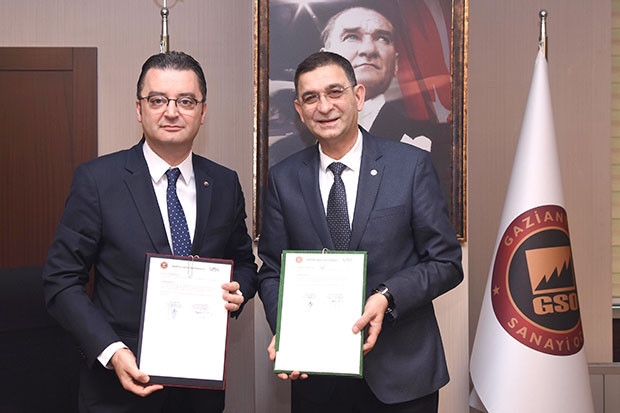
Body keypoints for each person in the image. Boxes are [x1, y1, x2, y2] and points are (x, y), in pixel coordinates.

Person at [42, 51, 257, 412]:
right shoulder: (98, 180)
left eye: (185, 101)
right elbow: (61, 280)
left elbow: (244, 264)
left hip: (200, 391)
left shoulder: (224, 182)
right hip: (119, 388)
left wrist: (240, 291)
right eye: (158, 100)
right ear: (139, 109)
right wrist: (111, 351)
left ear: (203, 112)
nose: (171, 112)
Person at [257, 51, 463, 413]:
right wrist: (288, 328)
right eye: (311, 97)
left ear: (359, 96)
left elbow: (446, 262)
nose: (324, 106)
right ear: (300, 110)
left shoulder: (409, 166)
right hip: (318, 377)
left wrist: (387, 295)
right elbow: (272, 271)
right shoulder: (284, 178)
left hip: (403, 376)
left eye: (335, 92)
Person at [269, 6, 452, 201]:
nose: (369, 50)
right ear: (325, 57)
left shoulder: (437, 143)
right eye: (351, 37)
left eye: (383, 38)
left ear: (396, 63)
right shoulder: (282, 155)